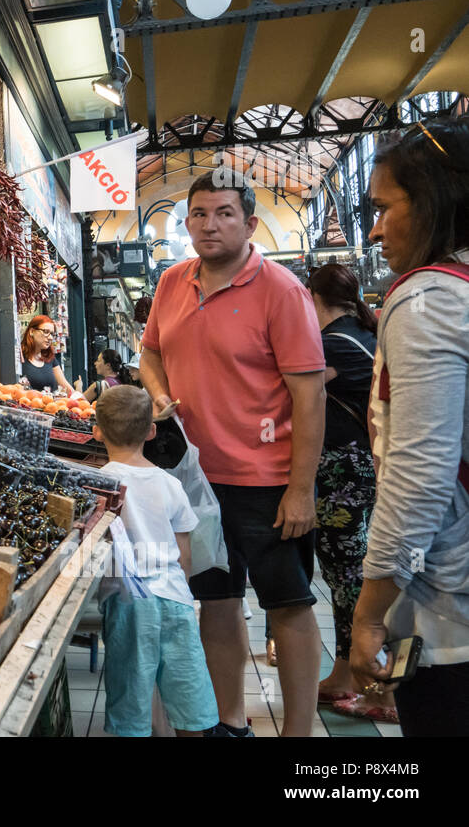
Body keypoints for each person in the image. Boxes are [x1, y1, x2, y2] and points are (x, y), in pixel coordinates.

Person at [138, 170, 327, 737]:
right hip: (196, 483)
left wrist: (301, 489)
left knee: (288, 606)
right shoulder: (172, 283)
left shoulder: (282, 290)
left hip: (267, 482)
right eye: (198, 213)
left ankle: (297, 733)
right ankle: (231, 721)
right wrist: (158, 392)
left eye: (224, 213)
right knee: (217, 602)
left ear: (249, 223)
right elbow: (149, 353)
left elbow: (309, 394)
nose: (209, 224)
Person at [350, 118, 469, 737]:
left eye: (384, 207)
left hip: (450, 615)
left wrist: (370, 613)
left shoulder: (427, 297)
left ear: (436, 201)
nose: (374, 229)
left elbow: (422, 474)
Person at [92, 385, 219, 737]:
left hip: (128, 602)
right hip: (175, 599)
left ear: (96, 431)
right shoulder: (170, 484)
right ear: (151, 430)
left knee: (130, 700)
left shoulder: (99, 484)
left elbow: (93, 550)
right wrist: (185, 593)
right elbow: (185, 555)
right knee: (188, 696)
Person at [301, 264, 394, 721]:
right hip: (359, 468)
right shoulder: (364, 333)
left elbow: (294, 389)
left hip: (343, 473)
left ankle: (377, 686)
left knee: (349, 577)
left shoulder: (335, 343)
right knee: (345, 577)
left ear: (311, 296)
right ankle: (344, 676)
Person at [18, 315, 77, 395]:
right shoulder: (19, 356)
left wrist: (82, 401)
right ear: (31, 331)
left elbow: (66, 387)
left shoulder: (50, 358)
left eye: (52, 334)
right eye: (46, 332)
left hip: (52, 405)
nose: (50, 338)